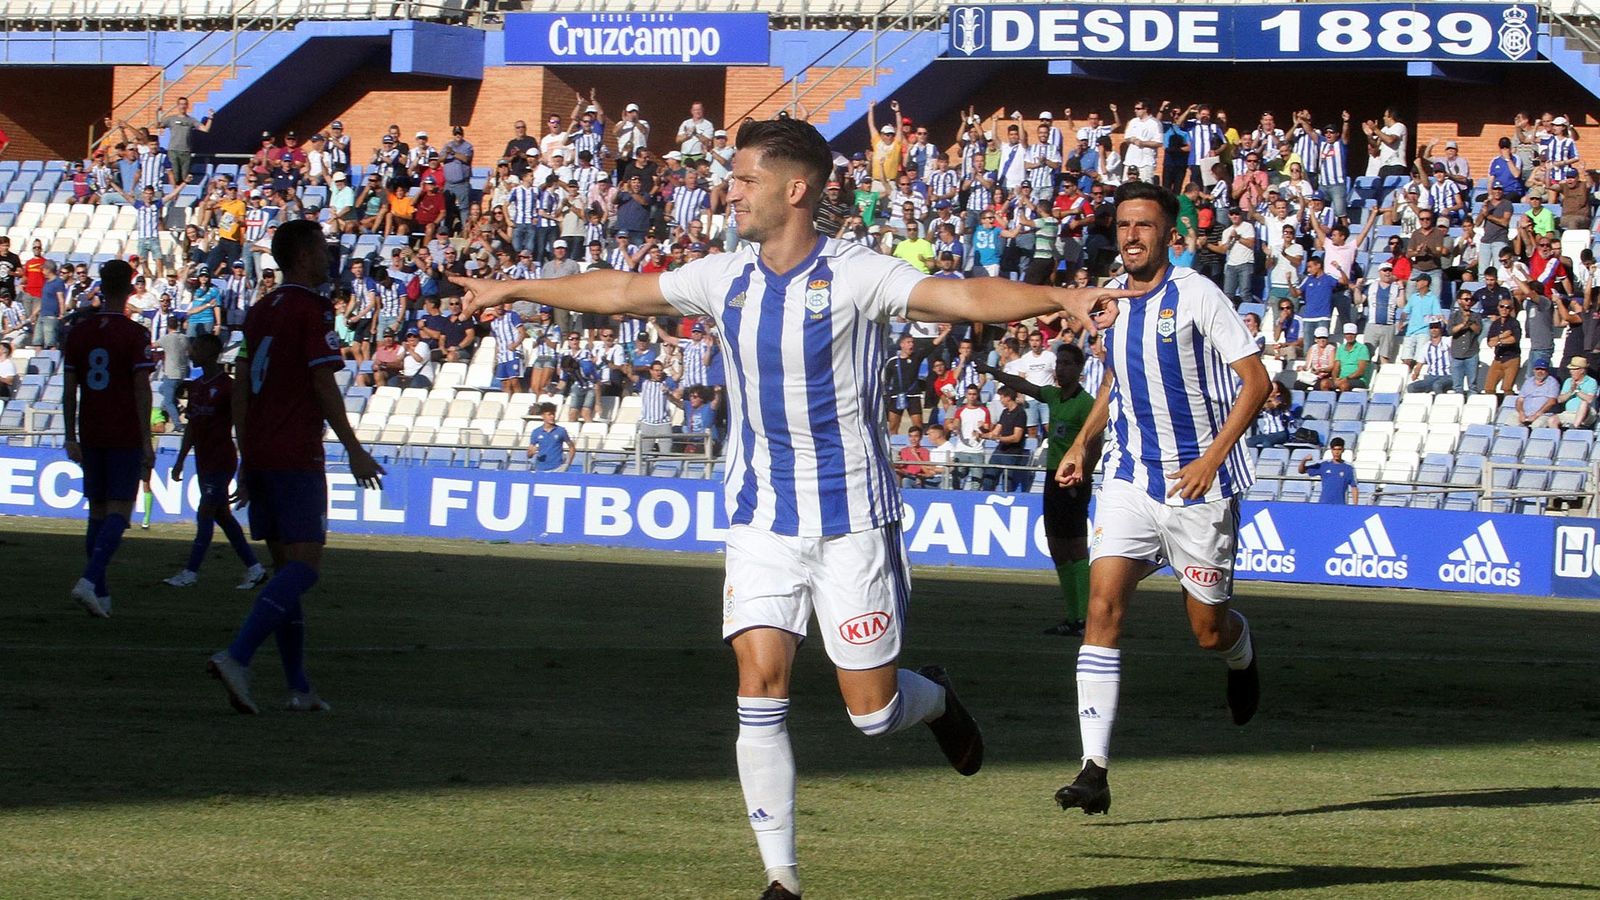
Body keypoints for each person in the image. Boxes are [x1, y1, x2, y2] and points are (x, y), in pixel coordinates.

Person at [448, 116, 1128, 900]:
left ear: (795, 189)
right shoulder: (723, 276)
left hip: (852, 524)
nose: (728, 190)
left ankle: (932, 696)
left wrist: (1059, 295)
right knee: (758, 686)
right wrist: (512, 285)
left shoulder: (858, 274)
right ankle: (782, 879)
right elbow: (623, 291)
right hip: (760, 520)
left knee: (870, 715)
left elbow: (964, 294)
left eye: (744, 180)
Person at [1053, 179, 1269, 818]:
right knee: (1102, 608)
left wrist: (1212, 458)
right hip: (1127, 479)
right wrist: (1083, 446)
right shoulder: (1110, 304)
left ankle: (1241, 651)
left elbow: (1257, 382)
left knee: (1207, 631)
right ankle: (1093, 768)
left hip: (1198, 485)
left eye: (1144, 225)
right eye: (1123, 226)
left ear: (1169, 234)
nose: (1132, 236)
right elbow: (1117, 381)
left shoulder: (1199, 294)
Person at [207, 219, 385, 715]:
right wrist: (352, 446)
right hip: (295, 451)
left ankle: (299, 687)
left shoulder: (260, 310)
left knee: (287, 571)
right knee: (305, 567)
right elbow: (324, 383)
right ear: (304, 256)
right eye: (323, 251)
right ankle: (237, 656)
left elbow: (241, 383)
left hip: (261, 450)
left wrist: (245, 452)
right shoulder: (312, 309)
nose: (329, 259)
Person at [62, 260, 155, 617]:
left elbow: (70, 389)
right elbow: (141, 388)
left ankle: (99, 593)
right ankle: (88, 581)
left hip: (91, 429)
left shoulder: (80, 332)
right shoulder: (134, 334)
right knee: (120, 511)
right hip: (123, 431)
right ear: (130, 288)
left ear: (100, 286)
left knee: (96, 514)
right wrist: (146, 439)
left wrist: (71, 434)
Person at [982, 347, 1097, 635]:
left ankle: (1085, 618)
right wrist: (995, 372)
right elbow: (1026, 386)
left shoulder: (1087, 404)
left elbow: (1095, 443)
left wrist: (1083, 473)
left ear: (1079, 369)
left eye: (1068, 364)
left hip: (1073, 480)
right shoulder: (1054, 396)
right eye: (1059, 363)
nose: (1061, 368)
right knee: (1058, 548)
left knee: (1076, 547)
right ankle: (1073, 618)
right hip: (1051, 477)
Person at [162, 333, 266, 590]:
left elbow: (242, 426)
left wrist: (245, 463)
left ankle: (190, 572)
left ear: (210, 351)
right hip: (204, 460)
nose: (191, 353)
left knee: (205, 512)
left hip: (222, 459)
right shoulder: (196, 386)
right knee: (222, 516)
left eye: (195, 348)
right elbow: (192, 427)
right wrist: (180, 460)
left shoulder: (227, 388)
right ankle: (255, 568)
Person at [1299, 436, 1358, 505]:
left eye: (1339, 449)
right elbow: (1301, 471)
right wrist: (1304, 460)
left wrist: (1355, 506)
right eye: (1334, 449)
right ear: (1331, 450)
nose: (1336, 452)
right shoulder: (1323, 465)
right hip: (1324, 504)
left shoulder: (1349, 467)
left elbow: (1354, 487)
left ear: (1343, 450)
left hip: (1340, 505)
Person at [1406, 321, 1454, 394]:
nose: (1433, 330)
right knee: (1411, 387)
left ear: (1440, 329)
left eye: (1436, 327)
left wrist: (1445, 320)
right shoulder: (1426, 347)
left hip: (1448, 376)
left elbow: (1455, 333)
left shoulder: (1447, 341)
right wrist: (1415, 374)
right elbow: (1419, 365)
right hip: (1432, 377)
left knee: (1437, 385)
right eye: (1431, 328)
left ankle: (1439, 403)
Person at [527, 401, 576, 471]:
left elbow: (572, 447)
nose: (552, 417)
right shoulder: (536, 432)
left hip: (557, 468)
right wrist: (531, 453)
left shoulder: (561, 431)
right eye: (549, 414)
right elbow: (529, 454)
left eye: (553, 414)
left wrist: (567, 464)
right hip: (540, 468)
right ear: (543, 415)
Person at [1516, 358, 1562, 427]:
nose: (1540, 371)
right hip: (1524, 413)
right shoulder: (1528, 382)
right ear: (1534, 370)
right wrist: (1521, 413)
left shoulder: (1552, 382)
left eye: (1543, 369)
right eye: (1537, 369)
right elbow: (1520, 400)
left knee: (1535, 427)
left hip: (1543, 414)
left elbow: (1551, 401)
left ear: (1547, 371)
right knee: (1508, 424)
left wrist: (1536, 415)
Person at [1556, 356, 1597, 428]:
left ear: (1582, 370)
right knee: (1552, 420)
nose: (1571, 371)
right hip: (1569, 413)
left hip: (1587, 415)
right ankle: (1558, 437)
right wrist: (1570, 392)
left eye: (1574, 369)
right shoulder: (1568, 381)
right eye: (1571, 369)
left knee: (1584, 403)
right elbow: (1560, 399)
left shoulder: (1591, 382)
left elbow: (1590, 399)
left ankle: (1574, 428)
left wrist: (1577, 391)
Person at [1331, 322, 1371, 391]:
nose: (1349, 336)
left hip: (1357, 379)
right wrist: (1334, 379)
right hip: (1342, 379)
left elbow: (1360, 371)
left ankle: (1343, 401)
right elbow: (1336, 368)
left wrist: (1346, 378)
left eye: (1352, 334)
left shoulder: (1362, 348)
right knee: (1324, 383)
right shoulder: (1341, 348)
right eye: (1347, 334)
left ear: (1356, 335)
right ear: (1344, 335)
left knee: (1343, 385)